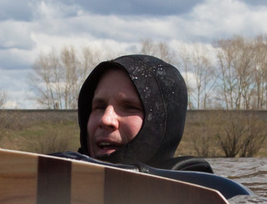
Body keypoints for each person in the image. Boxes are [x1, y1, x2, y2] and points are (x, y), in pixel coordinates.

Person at [73, 54, 215, 173]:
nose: (106, 119)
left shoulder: (204, 192)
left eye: (129, 107)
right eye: (100, 107)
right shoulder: (62, 175)